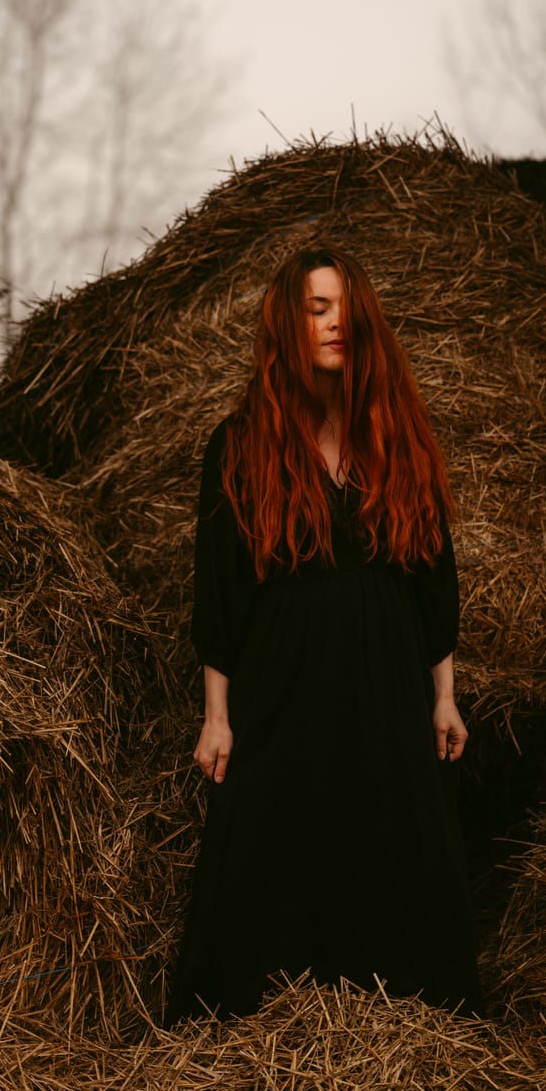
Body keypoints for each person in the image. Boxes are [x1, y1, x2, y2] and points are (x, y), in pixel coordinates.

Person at [164, 242, 485, 1025]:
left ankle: (403, 1011)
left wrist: (444, 697)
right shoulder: (239, 443)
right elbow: (223, 588)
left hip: (386, 667)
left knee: (395, 829)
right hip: (286, 668)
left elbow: (432, 574)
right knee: (275, 833)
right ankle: (260, 1014)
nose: (336, 322)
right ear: (288, 324)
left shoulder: (398, 435)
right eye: (317, 309)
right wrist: (217, 716)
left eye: (345, 307)